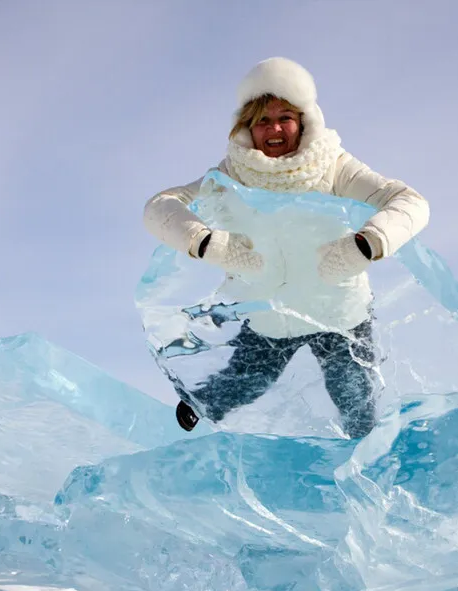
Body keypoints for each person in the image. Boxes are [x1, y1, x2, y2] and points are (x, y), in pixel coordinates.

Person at [143, 57, 429, 438]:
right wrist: (210, 244)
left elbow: (410, 202)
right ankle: (200, 402)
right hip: (268, 314)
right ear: (247, 127)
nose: (274, 128)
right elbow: (160, 207)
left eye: (285, 118)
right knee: (243, 383)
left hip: (338, 314)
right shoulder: (231, 174)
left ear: (303, 121)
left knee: (354, 400)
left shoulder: (333, 165)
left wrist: (363, 246)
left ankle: (364, 465)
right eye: (262, 120)